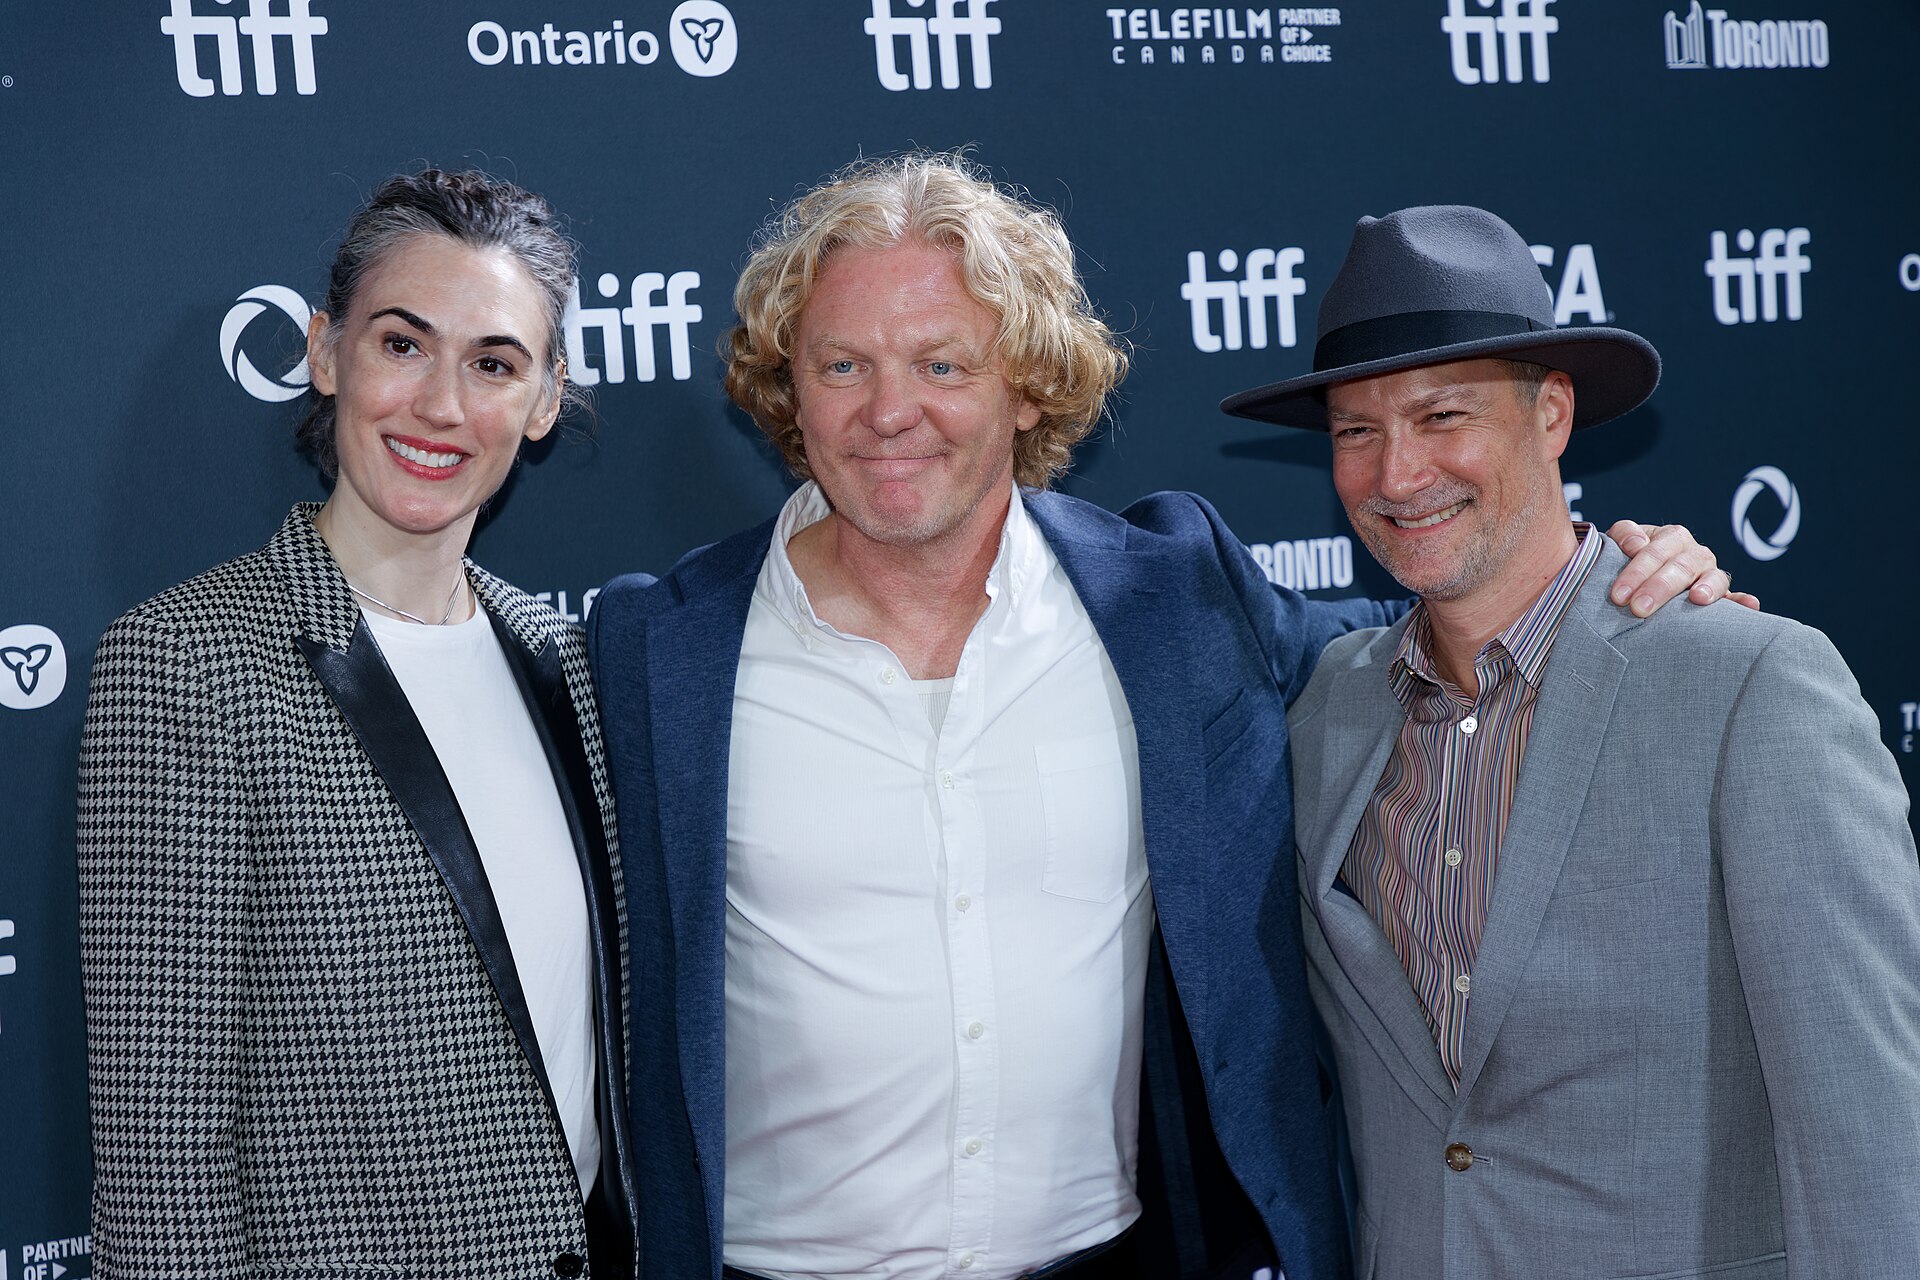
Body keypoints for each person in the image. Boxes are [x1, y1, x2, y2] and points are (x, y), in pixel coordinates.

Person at [589, 155, 1730, 1280]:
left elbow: (1438, 633)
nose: (892, 410)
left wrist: (1619, 580)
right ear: (792, 387)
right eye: (844, 363)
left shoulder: (1173, 599)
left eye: (943, 361)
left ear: (1028, 382)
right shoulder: (659, 652)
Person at [1222, 203, 1920, 1278]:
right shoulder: (1329, 709)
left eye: (1444, 414)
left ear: (1550, 414)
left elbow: (1870, 1129)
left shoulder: (1749, 685)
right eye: (1356, 430)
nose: (1397, 474)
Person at [77, 170, 637, 1278]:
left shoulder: (564, 657)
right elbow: (159, 1162)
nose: (440, 404)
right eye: (401, 343)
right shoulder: (185, 662)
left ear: (542, 401)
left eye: (493, 363)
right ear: (326, 353)